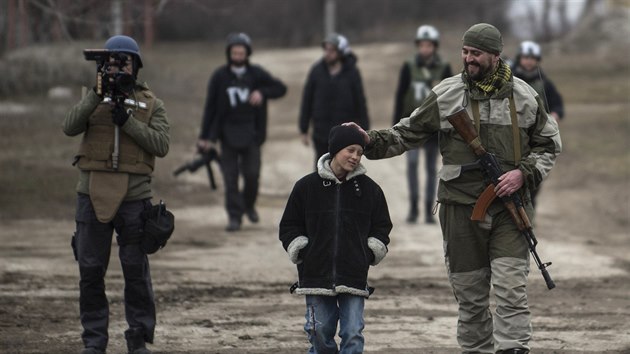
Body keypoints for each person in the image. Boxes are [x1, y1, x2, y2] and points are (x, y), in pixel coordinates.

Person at [344, 23, 562, 353]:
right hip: (461, 209)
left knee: (511, 290)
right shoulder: (446, 94)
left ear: (495, 56)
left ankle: (513, 348)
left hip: (510, 208)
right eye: (465, 52)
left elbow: (549, 144)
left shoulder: (525, 96)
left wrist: (524, 173)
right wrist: (368, 140)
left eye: (476, 53)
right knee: (471, 295)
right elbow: (406, 134)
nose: (468, 59)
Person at [63, 35, 170, 354]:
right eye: (111, 61)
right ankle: (94, 342)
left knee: (135, 272)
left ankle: (138, 340)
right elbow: (69, 127)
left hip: (134, 199)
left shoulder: (152, 103)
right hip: (91, 194)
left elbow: (161, 145)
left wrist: (128, 122)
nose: (118, 67)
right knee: (90, 271)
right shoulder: (91, 98)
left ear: (136, 67)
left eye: (124, 61)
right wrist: (96, 95)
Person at [279, 125, 392, 354]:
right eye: (350, 150)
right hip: (315, 275)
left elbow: (382, 227)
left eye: (359, 152)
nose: (355, 156)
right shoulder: (306, 187)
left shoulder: (371, 190)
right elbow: (289, 225)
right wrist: (301, 249)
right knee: (318, 333)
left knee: (353, 334)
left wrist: (369, 252)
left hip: (354, 274)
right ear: (335, 150)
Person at [197, 32, 287, 232]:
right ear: (229, 53)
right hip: (227, 135)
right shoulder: (220, 76)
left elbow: (281, 88)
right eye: (234, 53)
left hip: (252, 134)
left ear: (248, 54)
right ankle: (234, 217)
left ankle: (248, 205)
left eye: (241, 53)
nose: (238, 56)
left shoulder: (256, 74)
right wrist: (205, 137)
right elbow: (210, 107)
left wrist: (262, 92)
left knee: (252, 175)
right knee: (230, 179)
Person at [393, 25, 453, 224]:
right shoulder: (408, 66)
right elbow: (400, 95)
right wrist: (396, 124)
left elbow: (452, 98)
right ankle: (413, 207)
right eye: (422, 44)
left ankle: (428, 210)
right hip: (412, 127)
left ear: (434, 46)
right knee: (411, 165)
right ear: (418, 46)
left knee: (430, 169)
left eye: (429, 45)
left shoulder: (444, 68)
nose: (425, 48)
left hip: (434, 129)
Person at [299, 33, 370, 168]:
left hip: (344, 134)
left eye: (332, 50)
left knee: (344, 171)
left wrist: (365, 129)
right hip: (321, 132)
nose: (327, 53)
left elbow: (360, 102)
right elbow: (307, 100)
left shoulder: (352, 73)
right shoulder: (316, 71)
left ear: (341, 52)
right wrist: (304, 129)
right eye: (326, 50)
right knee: (321, 170)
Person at [511, 40, 565, 209]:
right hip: (512, 133)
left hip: (536, 135)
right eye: (526, 57)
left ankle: (529, 207)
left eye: (532, 58)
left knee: (534, 173)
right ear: (520, 58)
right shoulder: (509, 80)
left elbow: (557, 104)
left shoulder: (545, 84)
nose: (528, 61)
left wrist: (555, 115)